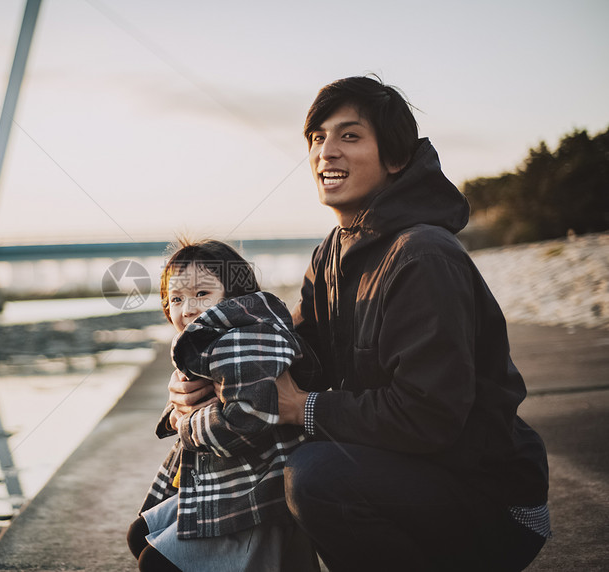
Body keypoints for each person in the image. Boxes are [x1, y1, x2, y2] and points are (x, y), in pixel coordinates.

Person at [167, 76, 551, 571]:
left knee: (317, 477)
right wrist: (204, 384)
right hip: (411, 472)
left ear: (395, 158)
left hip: (491, 500)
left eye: (349, 136)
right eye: (317, 138)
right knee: (252, 480)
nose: (327, 152)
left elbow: (428, 417)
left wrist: (302, 408)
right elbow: (290, 358)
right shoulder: (330, 252)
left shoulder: (423, 257)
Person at [127, 238, 321, 572]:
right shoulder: (210, 339)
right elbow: (197, 399)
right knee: (141, 535)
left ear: (234, 298)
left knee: (156, 561)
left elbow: (246, 418)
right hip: (226, 477)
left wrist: (184, 424)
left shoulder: (243, 340)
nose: (187, 308)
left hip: (253, 488)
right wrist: (178, 410)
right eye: (176, 298)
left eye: (202, 294)